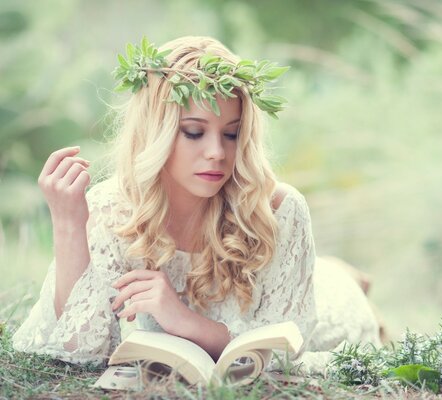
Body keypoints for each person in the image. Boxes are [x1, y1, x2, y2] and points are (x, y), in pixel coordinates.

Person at [12, 36, 381, 374]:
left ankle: (343, 275)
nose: (217, 153)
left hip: (328, 317)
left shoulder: (279, 209)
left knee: (336, 291)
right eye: (193, 132)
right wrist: (67, 224)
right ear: (156, 131)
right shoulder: (112, 209)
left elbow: (283, 352)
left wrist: (183, 321)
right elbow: (79, 349)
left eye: (232, 134)